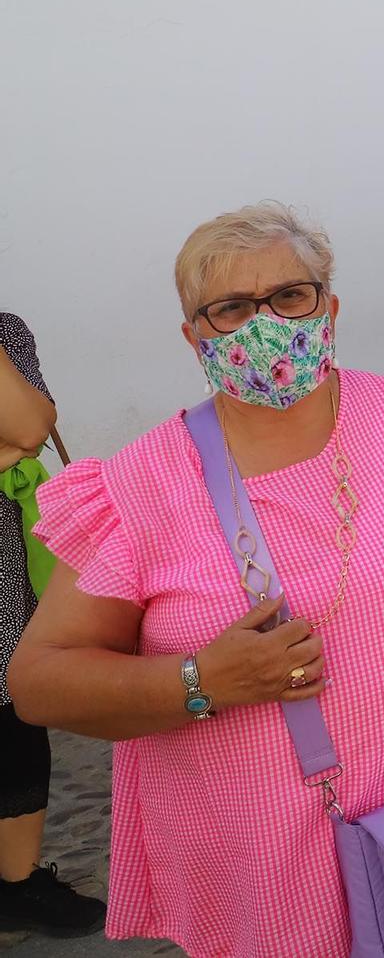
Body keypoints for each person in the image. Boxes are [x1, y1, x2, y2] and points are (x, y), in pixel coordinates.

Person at [13, 203, 384, 958]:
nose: (266, 323)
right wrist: (199, 681)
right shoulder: (139, 485)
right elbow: (40, 681)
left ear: (330, 307)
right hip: (259, 872)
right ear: (194, 337)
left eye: (291, 295)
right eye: (230, 309)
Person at [0, 314, 106, 936]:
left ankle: (18, 883)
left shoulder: (8, 332)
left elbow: (31, 428)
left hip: (7, 581)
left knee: (15, 714)